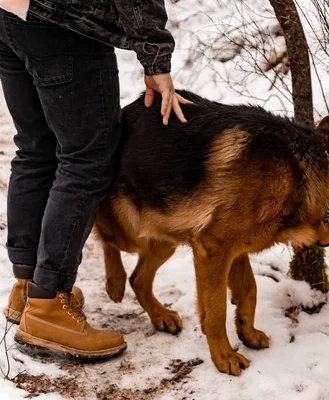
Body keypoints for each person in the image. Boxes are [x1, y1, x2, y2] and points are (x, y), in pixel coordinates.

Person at [0, 0, 188, 358]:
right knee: (87, 160)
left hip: (10, 14)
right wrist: (155, 59)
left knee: (36, 148)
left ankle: (27, 288)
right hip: (63, 19)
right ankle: (48, 304)